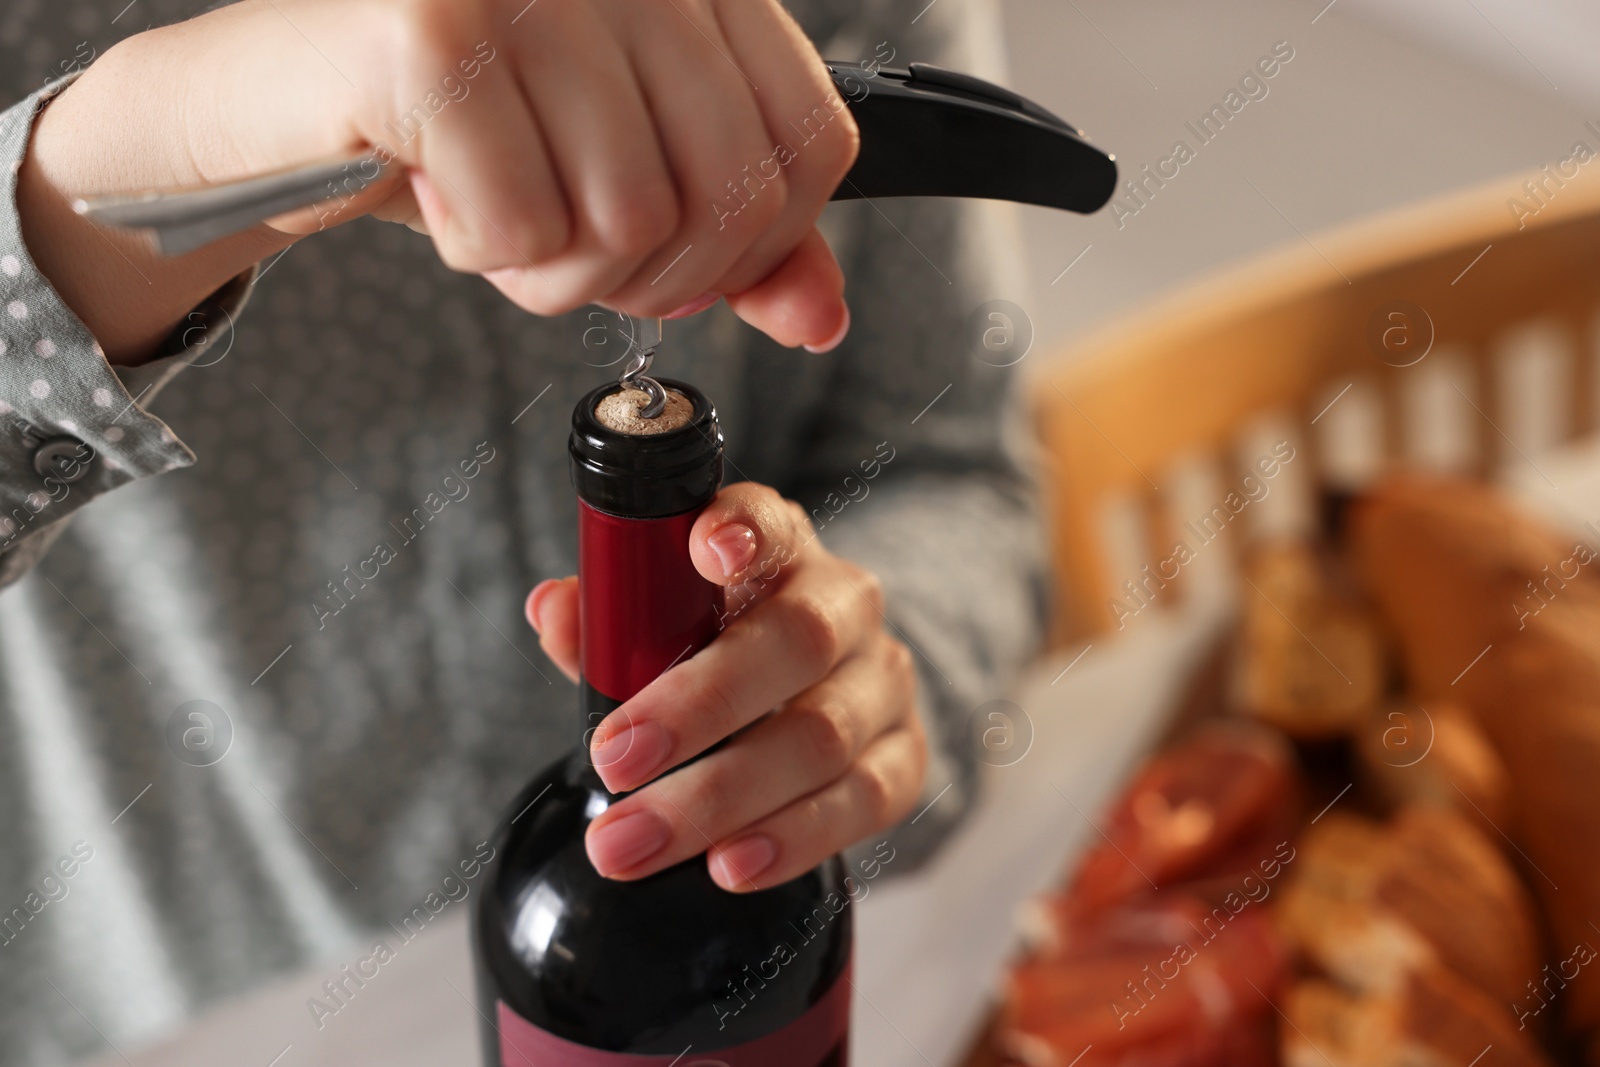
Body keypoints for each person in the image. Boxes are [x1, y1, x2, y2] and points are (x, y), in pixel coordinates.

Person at [0, 0, 1046, 1059]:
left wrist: (840, 690)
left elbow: (952, 467)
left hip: (811, 953)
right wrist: (172, 132)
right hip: (216, 1018)